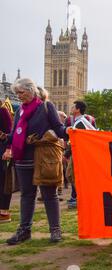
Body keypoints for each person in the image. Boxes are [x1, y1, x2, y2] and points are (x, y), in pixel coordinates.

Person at [0, 78, 69, 245]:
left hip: (43, 158)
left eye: (21, 92)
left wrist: (70, 131)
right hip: (23, 159)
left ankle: (55, 230)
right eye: (17, 93)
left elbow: (59, 129)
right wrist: (5, 138)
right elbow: (16, 135)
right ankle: (24, 231)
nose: (19, 96)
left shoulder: (46, 107)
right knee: (27, 196)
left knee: (49, 195)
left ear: (32, 91)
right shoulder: (19, 112)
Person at [64, 101, 96, 209]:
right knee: (73, 176)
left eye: (73, 107)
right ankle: (81, 198)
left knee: (72, 175)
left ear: (77, 110)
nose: (71, 108)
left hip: (79, 154)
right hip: (79, 154)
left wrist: (67, 153)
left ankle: (82, 198)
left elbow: (77, 141)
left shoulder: (79, 123)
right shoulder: (82, 121)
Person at [0, 101, 13, 223]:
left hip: (2, 151)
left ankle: (4, 212)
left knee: (3, 181)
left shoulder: (3, 110)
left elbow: (10, 132)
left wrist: (8, 149)